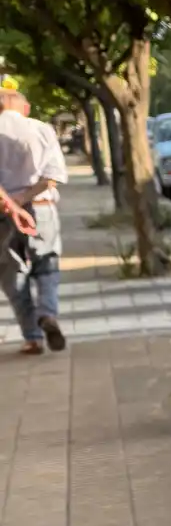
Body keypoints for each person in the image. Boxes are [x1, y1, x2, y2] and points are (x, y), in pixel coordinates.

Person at [0, 89, 67, 354]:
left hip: (2, 213)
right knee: (47, 265)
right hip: (41, 208)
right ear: (25, 109)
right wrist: (25, 198)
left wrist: (11, 203)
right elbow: (52, 177)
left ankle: (32, 337)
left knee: (11, 273)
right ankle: (47, 313)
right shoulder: (41, 129)